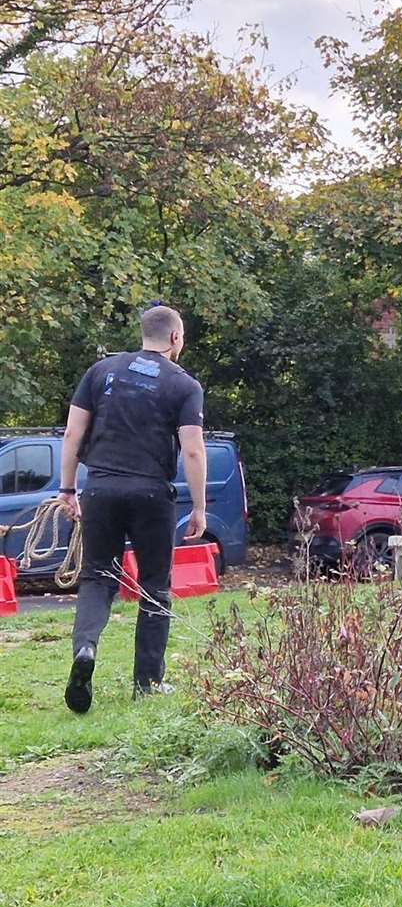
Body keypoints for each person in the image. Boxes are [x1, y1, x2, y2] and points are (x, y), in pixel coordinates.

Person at [56, 304, 207, 713]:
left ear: (144, 333)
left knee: (96, 577)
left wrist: (68, 489)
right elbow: (192, 450)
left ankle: (85, 650)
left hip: (100, 489)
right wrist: (199, 507)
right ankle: (148, 683)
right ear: (175, 338)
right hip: (151, 495)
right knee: (155, 585)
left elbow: (73, 433)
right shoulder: (183, 385)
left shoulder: (101, 371)